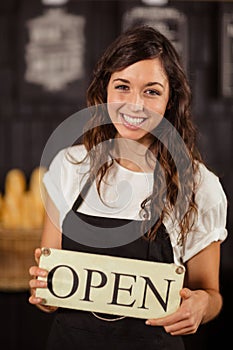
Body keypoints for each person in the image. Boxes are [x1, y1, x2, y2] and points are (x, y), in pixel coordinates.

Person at [28, 25, 228, 350]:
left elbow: (212, 294)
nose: (134, 104)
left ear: (170, 100)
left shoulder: (200, 185)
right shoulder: (69, 167)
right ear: (104, 91)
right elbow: (50, 294)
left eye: (151, 91)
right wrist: (43, 292)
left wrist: (202, 306)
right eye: (122, 86)